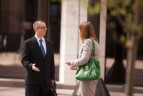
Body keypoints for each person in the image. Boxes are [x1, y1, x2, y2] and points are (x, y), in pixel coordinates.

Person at [21, 20, 55, 96]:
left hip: (46, 83)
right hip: (33, 82)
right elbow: (24, 60)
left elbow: (51, 62)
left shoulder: (49, 43)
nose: (45, 29)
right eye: (43, 27)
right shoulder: (28, 43)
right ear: (36, 29)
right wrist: (30, 66)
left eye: (45, 27)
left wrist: (52, 77)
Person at [65, 22, 100, 96]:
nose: (79, 32)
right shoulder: (94, 42)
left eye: (80, 30)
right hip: (91, 74)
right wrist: (77, 66)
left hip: (88, 75)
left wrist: (72, 62)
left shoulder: (88, 42)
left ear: (83, 31)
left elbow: (84, 59)